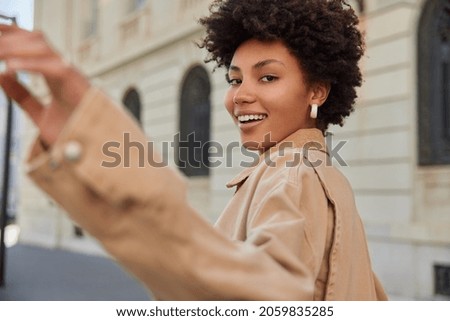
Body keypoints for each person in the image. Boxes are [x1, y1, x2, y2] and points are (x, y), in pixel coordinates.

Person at [0, 0, 387, 300]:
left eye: (268, 77)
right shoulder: (325, 178)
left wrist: (90, 140)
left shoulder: (293, 177)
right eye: (235, 80)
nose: (241, 96)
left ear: (317, 91)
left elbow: (245, 299)